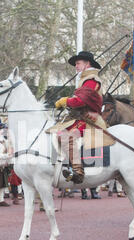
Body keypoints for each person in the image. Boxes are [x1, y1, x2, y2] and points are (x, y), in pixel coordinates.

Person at [54, 51, 105, 184]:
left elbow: (81, 101)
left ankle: (78, 171)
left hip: (89, 120)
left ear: (87, 64)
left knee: (65, 136)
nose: (76, 66)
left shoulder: (91, 79)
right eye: (76, 64)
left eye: (78, 63)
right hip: (81, 117)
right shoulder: (85, 79)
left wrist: (65, 101)